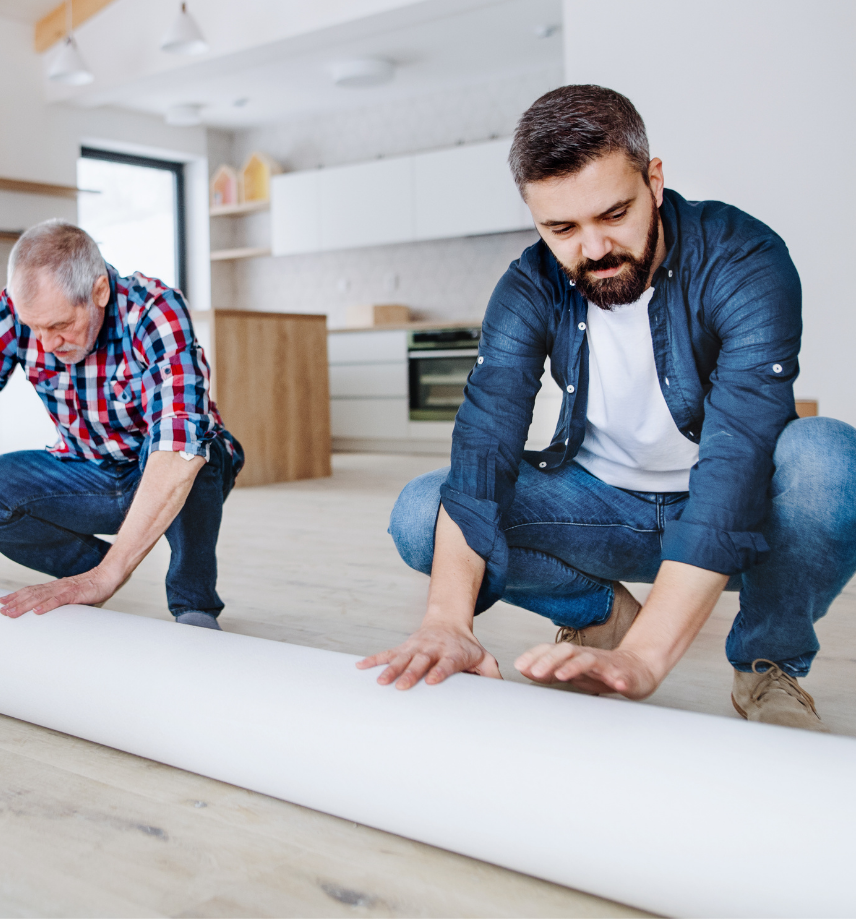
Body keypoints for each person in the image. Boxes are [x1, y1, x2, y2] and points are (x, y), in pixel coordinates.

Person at [360, 85, 856, 731]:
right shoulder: (529, 285)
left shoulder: (743, 257)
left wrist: (646, 659)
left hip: (732, 510)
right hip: (599, 510)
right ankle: (599, 614)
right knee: (422, 512)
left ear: (654, 181)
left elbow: (737, 465)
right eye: (561, 229)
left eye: (614, 214)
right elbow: (483, 447)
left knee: (829, 460)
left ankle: (767, 663)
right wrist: (446, 623)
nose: (593, 249)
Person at [0, 220, 242, 627]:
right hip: (86, 470)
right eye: (35, 328)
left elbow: (178, 442)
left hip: (166, 470)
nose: (47, 344)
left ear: (99, 292)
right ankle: (89, 570)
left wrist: (107, 579)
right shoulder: (14, 312)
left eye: (60, 326)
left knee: (196, 451)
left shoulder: (154, 310)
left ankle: (193, 605)